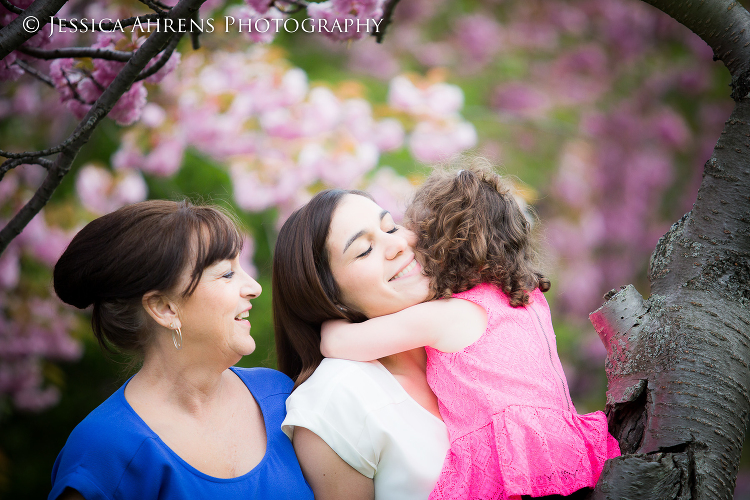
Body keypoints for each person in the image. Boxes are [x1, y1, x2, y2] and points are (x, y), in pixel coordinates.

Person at [320, 164, 621, 500]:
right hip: (562, 456)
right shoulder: (527, 298)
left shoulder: (449, 315)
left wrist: (329, 318)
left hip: (505, 466)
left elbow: (340, 343)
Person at [48, 200, 313, 500]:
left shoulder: (281, 396)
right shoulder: (104, 450)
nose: (254, 287)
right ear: (165, 308)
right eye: (227, 274)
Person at [272, 189, 451, 500]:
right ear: (329, 298)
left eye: (391, 227)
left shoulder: (469, 335)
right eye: (365, 249)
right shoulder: (336, 398)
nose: (397, 245)